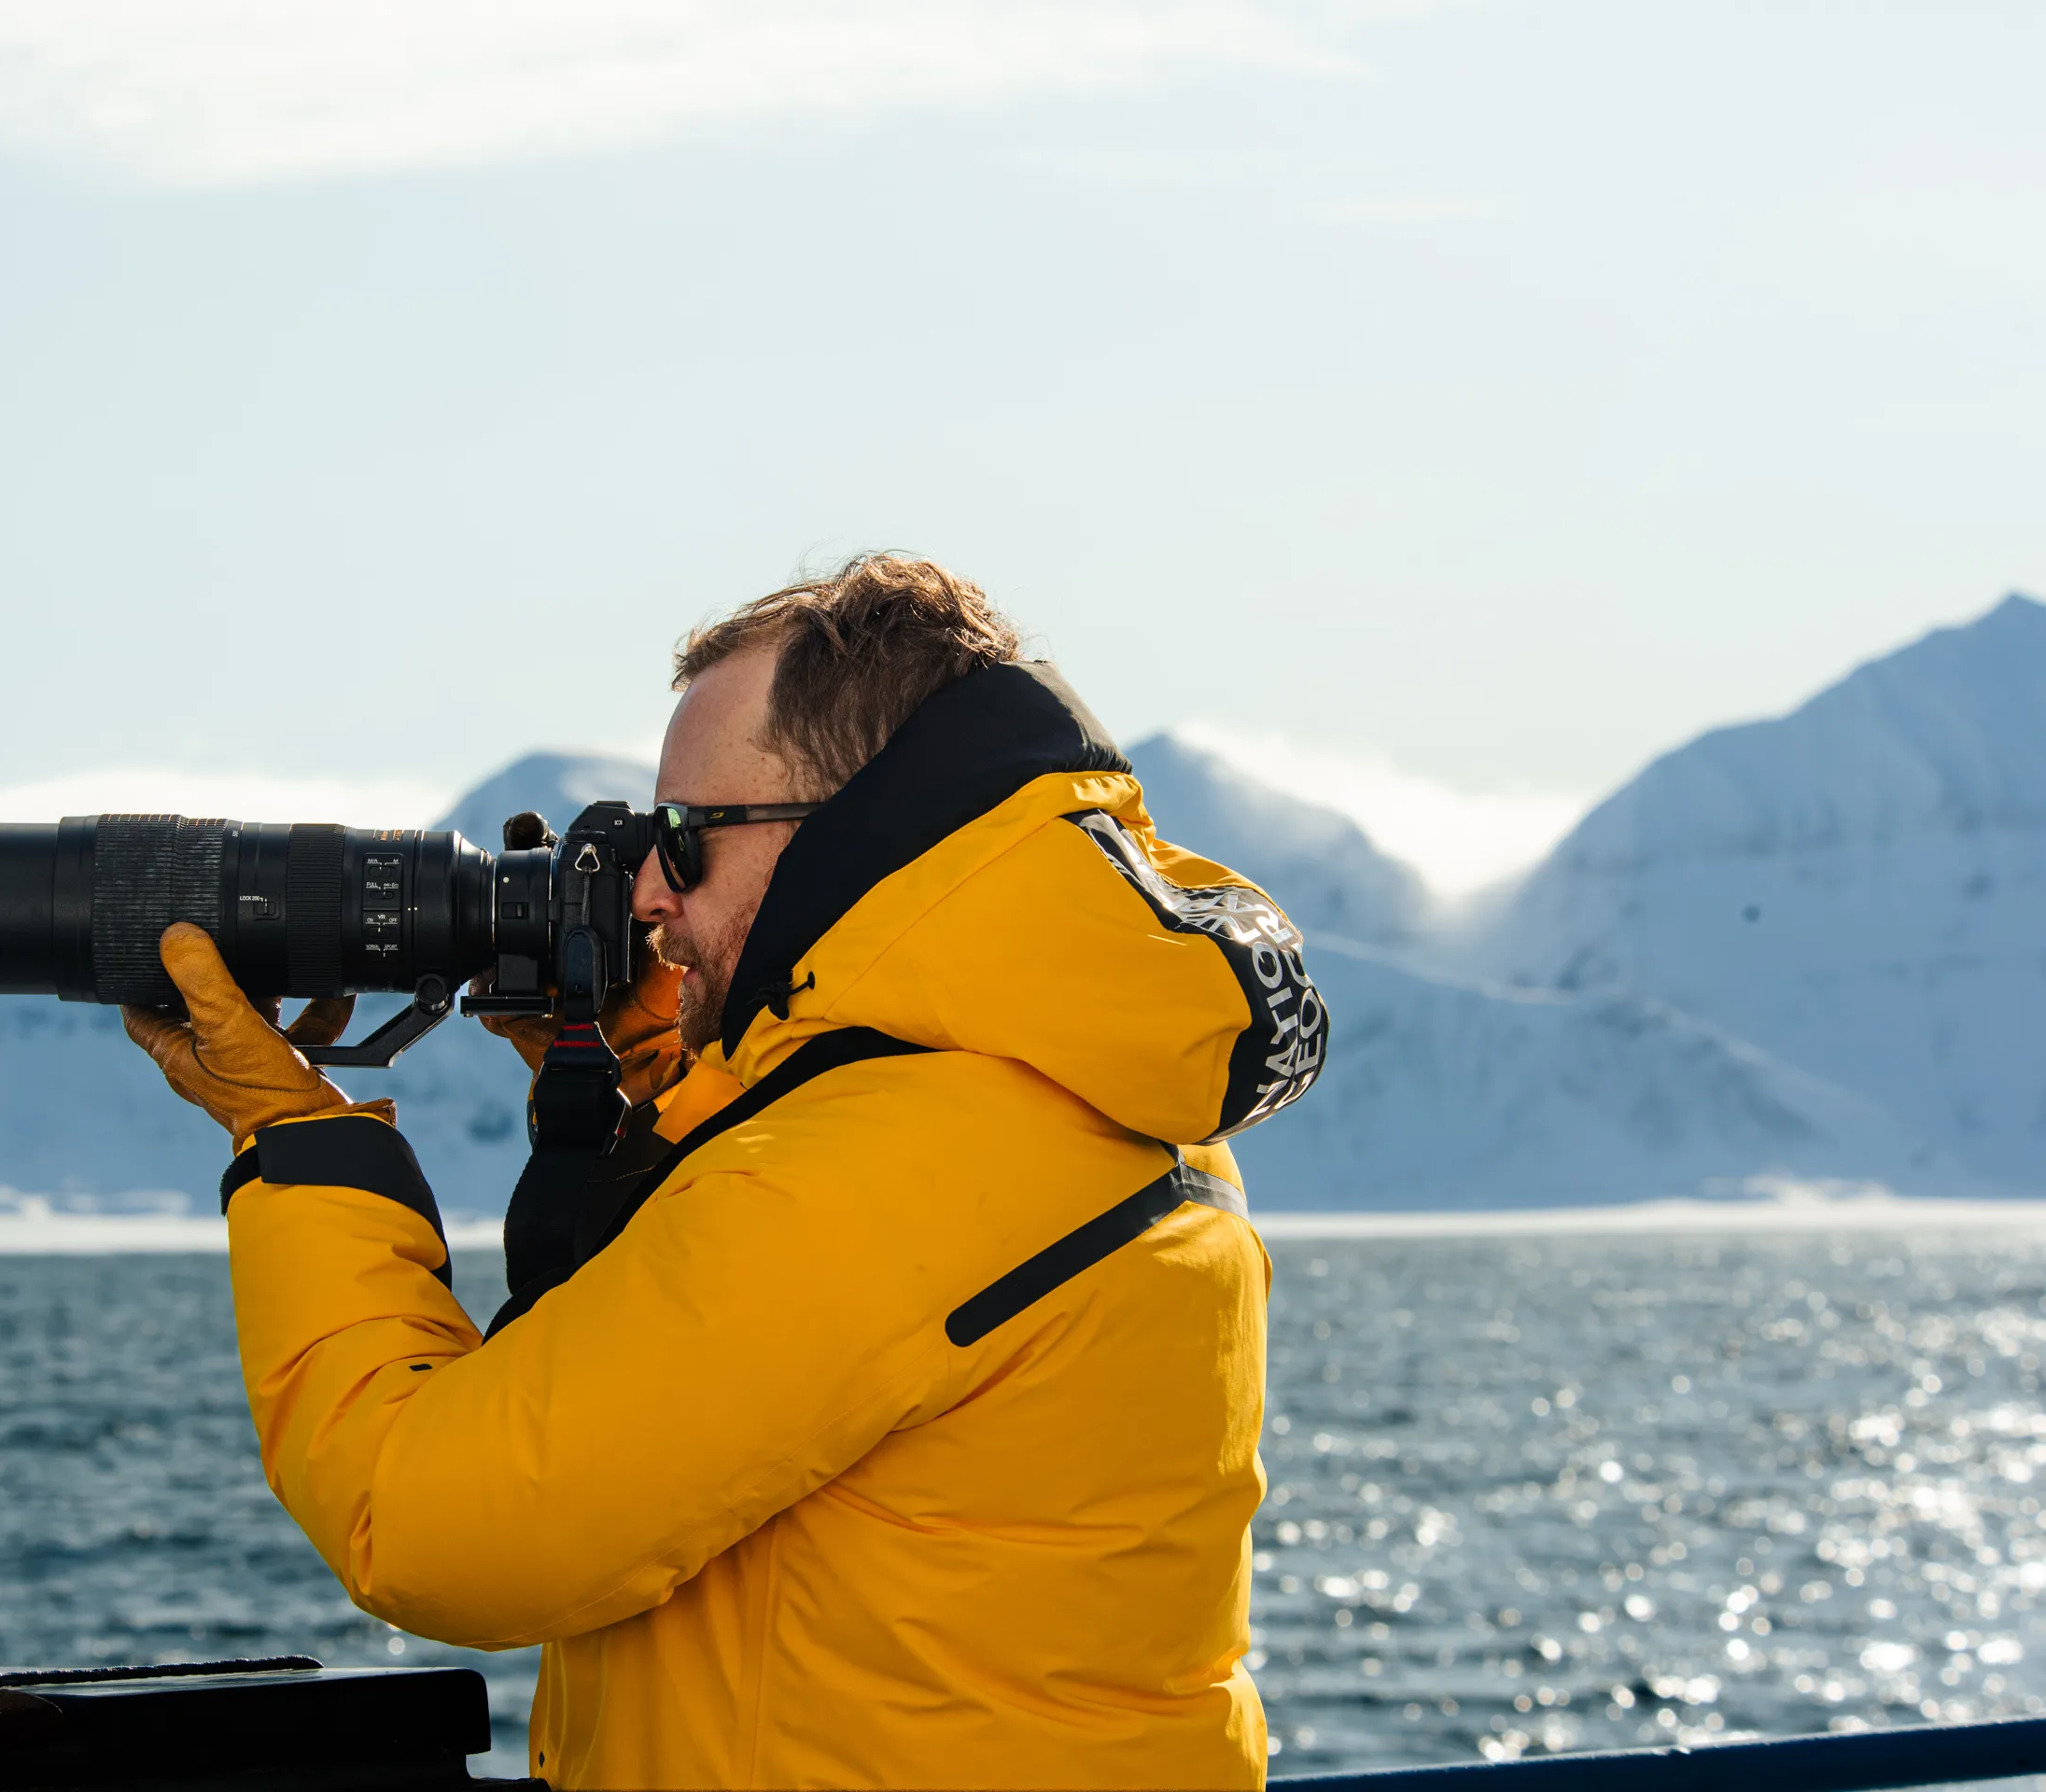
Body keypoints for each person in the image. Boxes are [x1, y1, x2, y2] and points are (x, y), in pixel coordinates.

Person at [125, 554, 1327, 1790]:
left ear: (847, 835)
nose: (647, 889)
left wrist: (300, 1143)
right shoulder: (1087, 1086)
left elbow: (429, 1525)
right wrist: (645, 1078)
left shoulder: (868, 1170)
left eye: (688, 840)